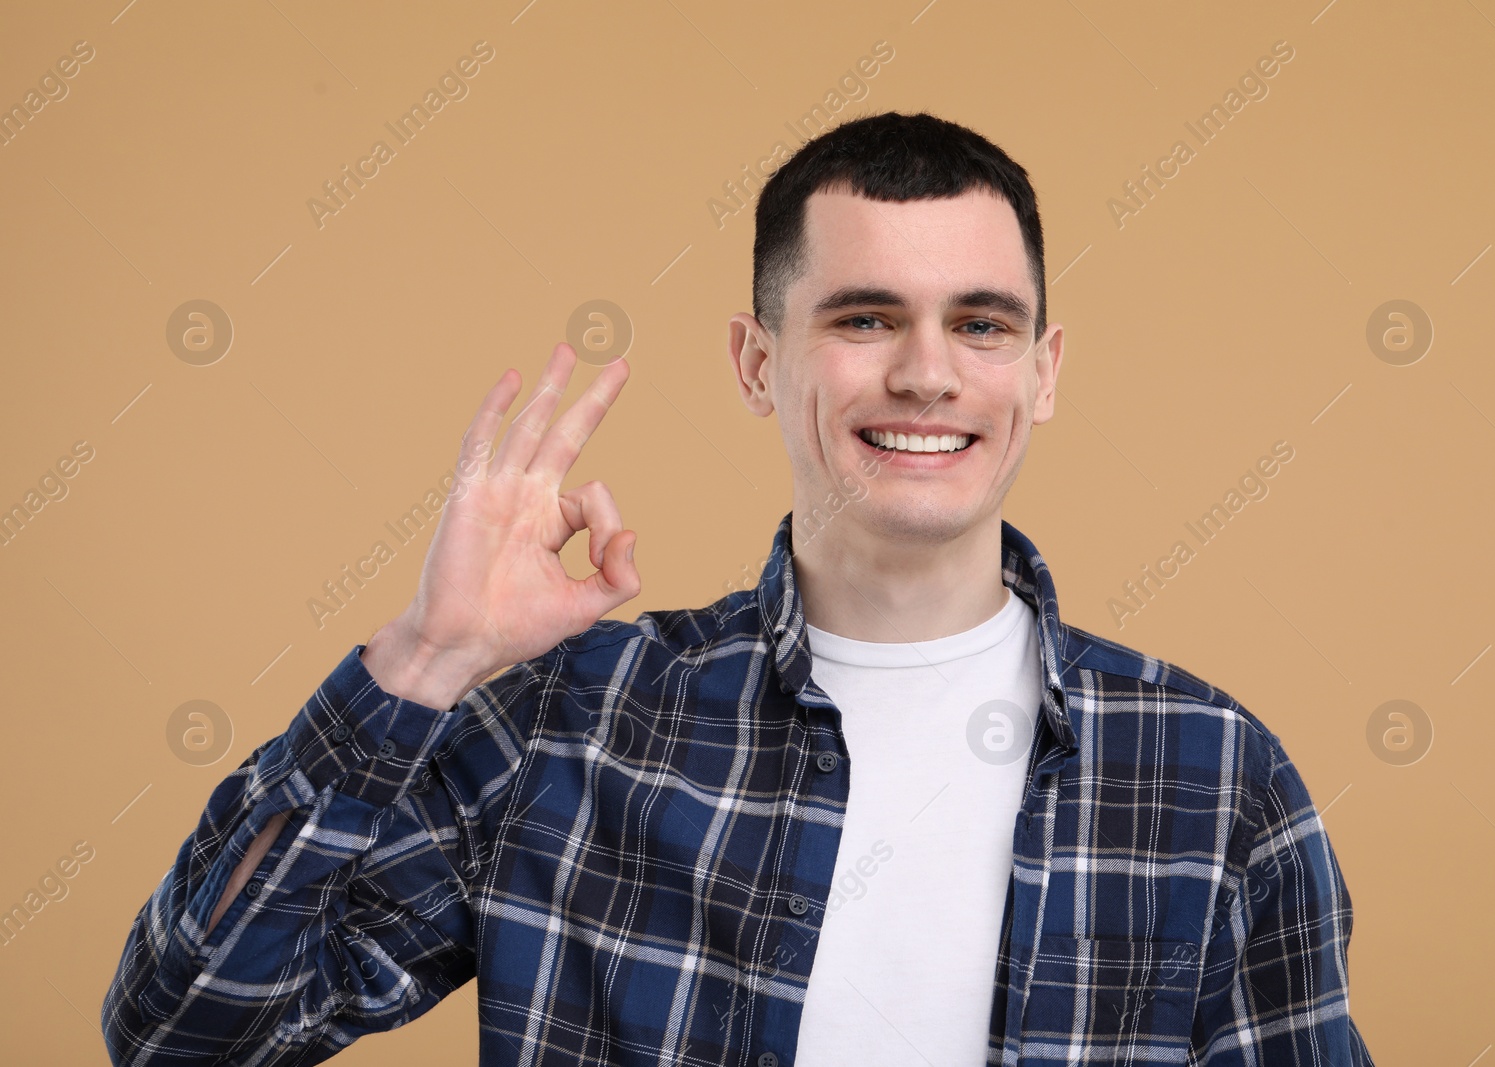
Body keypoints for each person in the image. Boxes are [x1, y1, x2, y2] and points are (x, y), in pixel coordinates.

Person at [102, 111, 1375, 1066]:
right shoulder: (568, 722)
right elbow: (179, 1031)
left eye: (980, 324)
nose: (928, 374)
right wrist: (424, 659)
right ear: (757, 362)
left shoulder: (1214, 773)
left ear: (1041, 372)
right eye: (865, 319)